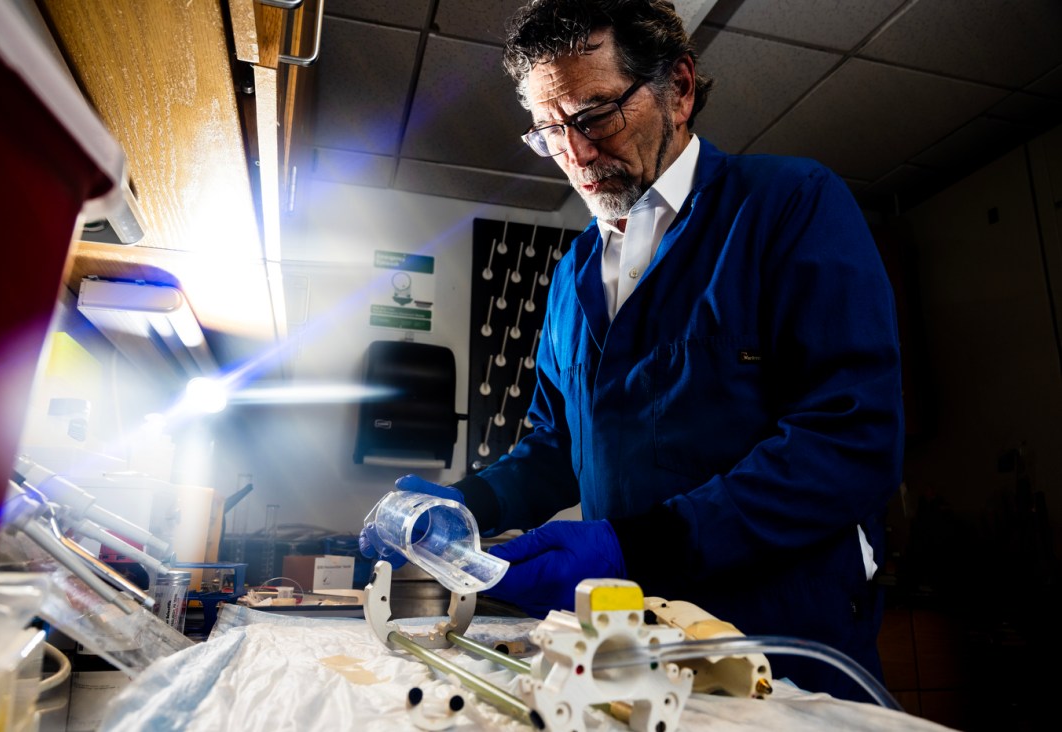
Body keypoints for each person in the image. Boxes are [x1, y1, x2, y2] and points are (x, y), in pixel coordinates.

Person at [362, 0, 903, 702]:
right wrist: (467, 507)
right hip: (627, 648)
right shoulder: (573, 272)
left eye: (594, 116)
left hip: (780, 648)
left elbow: (850, 440)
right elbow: (557, 446)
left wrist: (637, 545)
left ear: (678, 88)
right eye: (550, 130)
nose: (576, 155)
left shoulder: (789, 206)